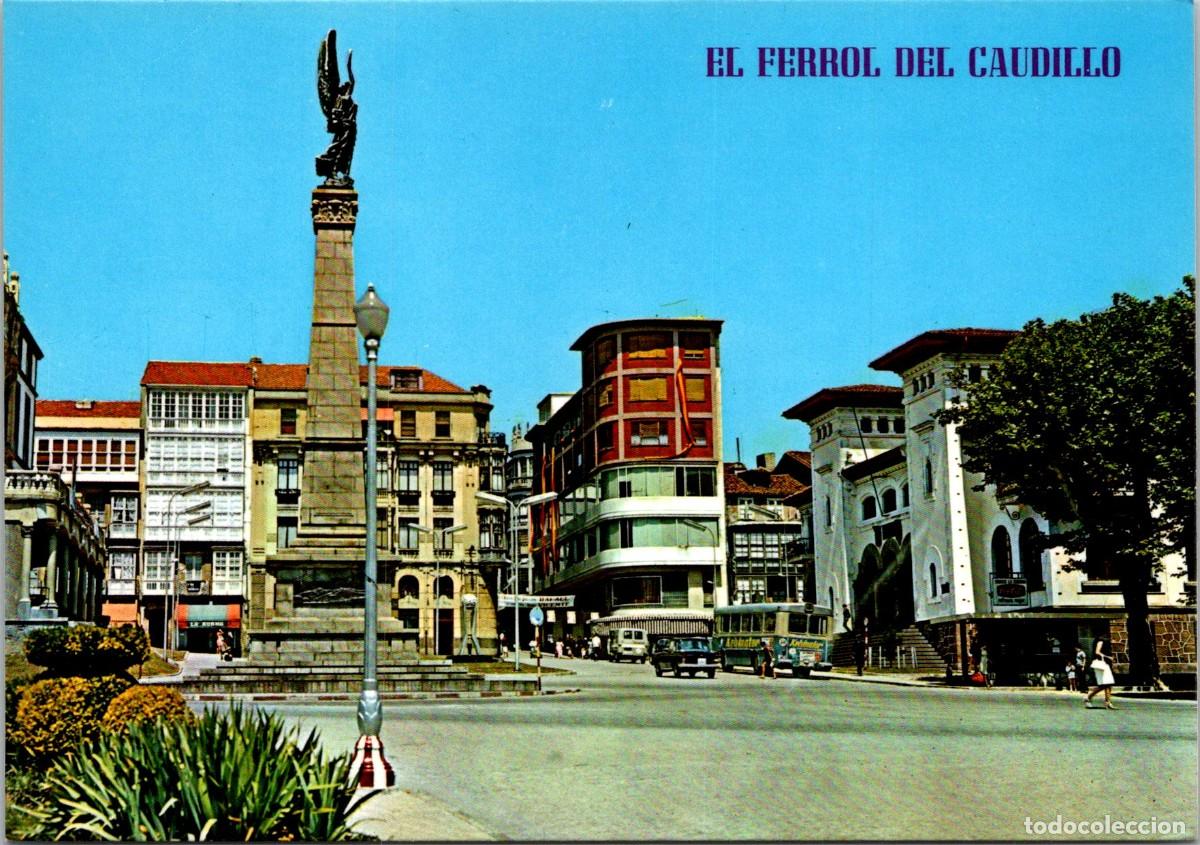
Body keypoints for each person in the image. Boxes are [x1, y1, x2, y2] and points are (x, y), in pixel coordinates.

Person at [1085, 638, 1118, 709]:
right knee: (1103, 685)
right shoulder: (1100, 641)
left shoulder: (1107, 643)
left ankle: (1108, 702)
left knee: (1109, 684)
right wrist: (1108, 657)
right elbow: (1097, 652)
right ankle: (1088, 697)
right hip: (1100, 665)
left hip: (1105, 664)